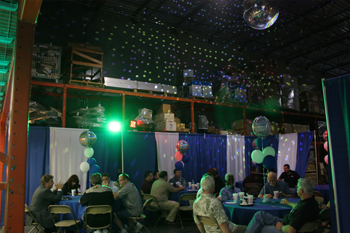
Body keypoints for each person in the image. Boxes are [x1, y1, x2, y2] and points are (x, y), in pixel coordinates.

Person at [245, 178, 320, 233]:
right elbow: (298, 207)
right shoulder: (311, 202)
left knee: (261, 227)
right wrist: (288, 203)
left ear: (301, 190)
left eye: (298, 187)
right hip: (285, 222)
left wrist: (281, 227)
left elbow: (291, 230)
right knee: (260, 214)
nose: (297, 189)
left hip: (285, 228)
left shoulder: (304, 208)